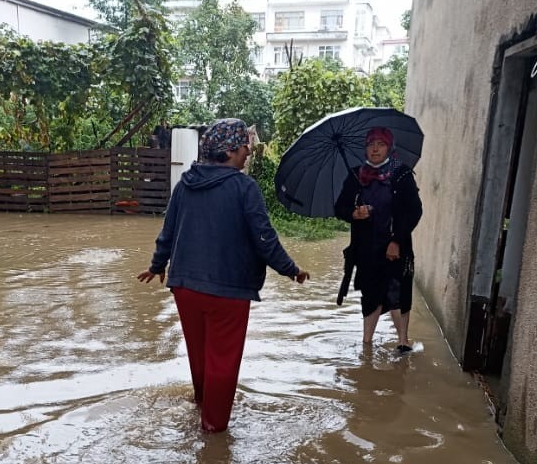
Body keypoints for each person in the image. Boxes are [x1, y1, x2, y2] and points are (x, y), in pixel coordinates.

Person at [138, 118, 310, 432]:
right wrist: (291, 269)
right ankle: (213, 434)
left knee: (200, 354)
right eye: (245, 145)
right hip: (228, 290)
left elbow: (168, 232)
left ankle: (202, 404)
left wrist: (156, 265)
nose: (249, 151)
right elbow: (264, 239)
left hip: (185, 287)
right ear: (229, 149)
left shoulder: (185, 184)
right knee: (224, 361)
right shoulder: (244, 187)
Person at [334, 127, 423, 350]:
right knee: (370, 293)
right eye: (371, 144)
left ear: (389, 148)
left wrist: (397, 241)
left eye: (380, 144)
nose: (375, 149)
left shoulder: (401, 173)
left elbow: (414, 210)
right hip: (366, 248)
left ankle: (402, 341)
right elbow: (340, 207)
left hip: (395, 247)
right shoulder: (356, 175)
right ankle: (367, 344)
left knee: (397, 292)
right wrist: (354, 213)